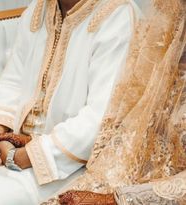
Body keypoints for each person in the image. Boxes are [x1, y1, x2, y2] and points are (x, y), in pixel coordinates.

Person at [0, 0, 141, 204]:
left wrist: (27, 156)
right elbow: (13, 81)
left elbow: (100, 118)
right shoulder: (39, 9)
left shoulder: (118, 16)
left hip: (72, 159)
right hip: (15, 140)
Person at [42, 0, 186, 204]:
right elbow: (122, 129)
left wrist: (115, 199)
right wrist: (35, 143)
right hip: (124, 179)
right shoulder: (161, 40)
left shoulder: (119, 15)